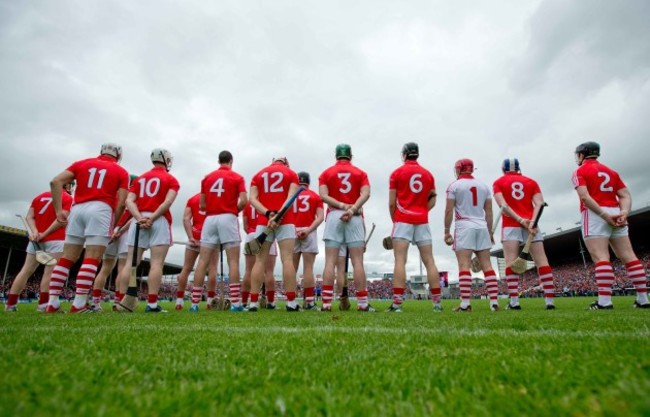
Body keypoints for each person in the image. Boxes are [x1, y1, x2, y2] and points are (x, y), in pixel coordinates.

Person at [46, 143, 129, 313]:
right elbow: (121, 203)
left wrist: (58, 211)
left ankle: (52, 302)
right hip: (101, 209)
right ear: (118, 155)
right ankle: (79, 303)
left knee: (67, 257)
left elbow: (55, 181)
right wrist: (114, 223)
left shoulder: (81, 163)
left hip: (77, 209)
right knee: (92, 257)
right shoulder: (121, 171)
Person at [571, 141, 649, 309]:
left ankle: (604, 302)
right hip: (615, 210)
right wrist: (624, 212)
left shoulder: (579, 171)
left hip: (595, 214)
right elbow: (625, 195)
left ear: (581, 155)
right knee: (629, 256)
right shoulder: (611, 172)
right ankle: (643, 299)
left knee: (601, 257)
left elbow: (584, 197)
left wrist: (604, 215)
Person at [118, 148, 179, 313]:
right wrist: (152, 218)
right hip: (159, 219)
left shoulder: (140, 179)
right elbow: (167, 202)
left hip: (138, 220)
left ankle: (122, 301)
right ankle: (152, 304)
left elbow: (129, 202)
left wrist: (139, 218)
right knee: (157, 263)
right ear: (166, 160)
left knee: (131, 262)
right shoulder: (171, 179)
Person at [493, 158, 556, 310]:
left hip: (510, 225)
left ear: (504, 169)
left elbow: (503, 205)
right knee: (542, 262)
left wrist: (520, 220)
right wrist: (532, 222)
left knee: (510, 262)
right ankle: (549, 302)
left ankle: (514, 302)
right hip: (532, 225)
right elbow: (540, 203)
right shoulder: (531, 182)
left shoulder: (498, 182)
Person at [386, 142, 442, 312]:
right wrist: (423, 211)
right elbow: (433, 198)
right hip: (422, 220)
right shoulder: (428, 174)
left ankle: (397, 304)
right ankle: (437, 304)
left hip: (402, 220)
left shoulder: (396, 173)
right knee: (429, 261)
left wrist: (395, 221)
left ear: (404, 154)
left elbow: (391, 203)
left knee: (400, 261)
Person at [189, 150, 246, 312]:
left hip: (210, 219)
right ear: (231, 161)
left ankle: (194, 304)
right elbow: (244, 201)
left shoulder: (207, 178)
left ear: (218, 161)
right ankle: (235, 304)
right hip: (228, 217)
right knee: (233, 261)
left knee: (202, 262)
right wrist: (234, 210)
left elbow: (201, 205)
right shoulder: (237, 177)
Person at [5, 182, 74, 312]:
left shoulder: (39, 197)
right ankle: (43, 305)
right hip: (56, 240)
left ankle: (10, 304)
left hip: (35, 240)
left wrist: (35, 232)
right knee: (50, 272)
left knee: (25, 271)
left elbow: (29, 217)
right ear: (67, 186)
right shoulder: (68, 198)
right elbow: (61, 219)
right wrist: (45, 233)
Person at [319, 144, 372, 312]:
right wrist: (352, 209)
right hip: (355, 215)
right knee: (357, 262)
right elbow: (366, 194)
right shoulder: (360, 173)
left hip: (334, 215)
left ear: (336, 156)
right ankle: (362, 303)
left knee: (329, 262)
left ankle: (326, 304)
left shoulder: (326, 173)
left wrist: (342, 205)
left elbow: (323, 196)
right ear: (351, 155)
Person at [444, 158, 499, 312]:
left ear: (459, 169)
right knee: (487, 265)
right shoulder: (484, 186)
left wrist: (446, 231)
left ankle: (465, 304)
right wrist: (490, 231)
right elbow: (489, 212)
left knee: (464, 265)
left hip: (464, 226)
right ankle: (494, 302)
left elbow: (448, 210)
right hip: (481, 226)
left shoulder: (454, 186)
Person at [248, 156, 301, 312]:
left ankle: (253, 302)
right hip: (286, 219)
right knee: (287, 260)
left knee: (259, 261)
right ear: (285, 162)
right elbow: (290, 197)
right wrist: (279, 215)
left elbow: (252, 199)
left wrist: (268, 213)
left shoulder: (258, 175)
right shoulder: (291, 173)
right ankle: (291, 302)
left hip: (263, 220)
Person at [174, 192, 219, 311]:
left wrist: (190, 236)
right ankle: (210, 302)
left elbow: (186, 218)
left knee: (186, 268)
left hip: (195, 234)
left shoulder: (192, 199)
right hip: (210, 237)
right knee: (212, 268)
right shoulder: (215, 198)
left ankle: (179, 302)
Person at [292, 171, 324, 310]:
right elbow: (320, 217)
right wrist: (308, 230)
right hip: (308, 229)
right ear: (308, 182)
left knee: (291, 269)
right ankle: (309, 302)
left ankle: (291, 301)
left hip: (291, 230)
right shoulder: (315, 196)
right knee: (308, 268)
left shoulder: (290, 196)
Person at [241, 202, 278, 309]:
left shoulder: (248, 204)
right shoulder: (266, 201)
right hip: (266, 233)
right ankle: (271, 302)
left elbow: (245, 226)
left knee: (248, 270)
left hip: (251, 234)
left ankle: (244, 302)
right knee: (269, 272)